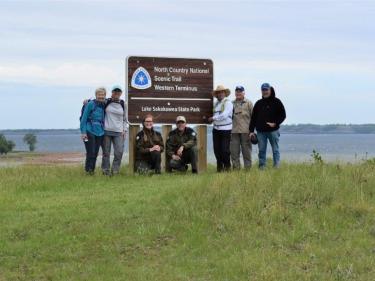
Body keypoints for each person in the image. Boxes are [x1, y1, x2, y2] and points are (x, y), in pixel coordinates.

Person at [249, 83, 286, 169]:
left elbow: (283, 115)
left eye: (266, 90)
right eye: (263, 90)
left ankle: (276, 166)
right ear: (261, 91)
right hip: (260, 132)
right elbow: (253, 118)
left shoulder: (277, 102)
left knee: (275, 149)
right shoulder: (258, 103)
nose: (265, 91)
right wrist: (251, 131)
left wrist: (275, 123)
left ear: (270, 90)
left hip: (273, 131)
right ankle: (262, 166)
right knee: (261, 150)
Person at [101, 85, 127, 176]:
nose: (116, 93)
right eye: (115, 91)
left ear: (121, 93)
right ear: (112, 92)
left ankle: (115, 171)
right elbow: (96, 102)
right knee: (106, 153)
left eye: (118, 91)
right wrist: (87, 101)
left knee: (119, 152)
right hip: (106, 131)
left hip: (119, 132)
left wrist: (124, 130)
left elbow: (125, 119)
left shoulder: (123, 104)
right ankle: (106, 171)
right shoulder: (106, 102)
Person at [80, 87, 106, 175]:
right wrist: (83, 132)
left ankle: (92, 171)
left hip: (100, 132)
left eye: (103, 95)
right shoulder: (90, 104)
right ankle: (88, 171)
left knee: (95, 153)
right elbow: (84, 119)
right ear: (96, 95)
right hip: (89, 130)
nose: (101, 96)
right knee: (90, 152)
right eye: (99, 94)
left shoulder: (104, 104)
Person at [208, 85, 233, 172]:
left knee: (225, 150)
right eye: (218, 92)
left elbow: (224, 115)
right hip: (216, 129)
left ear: (225, 93)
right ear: (216, 94)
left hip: (226, 129)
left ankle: (227, 167)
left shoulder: (228, 103)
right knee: (217, 150)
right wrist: (212, 120)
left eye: (222, 92)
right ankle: (219, 168)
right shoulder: (216, 104)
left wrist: (213, 118)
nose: (220, 94)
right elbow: (214, 115)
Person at [230, 86, 253, 169]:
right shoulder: (231, 104)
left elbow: (253, 117)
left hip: (246, 132)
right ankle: (236, 170)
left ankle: (248, 170)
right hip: (233, 132)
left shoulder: (249, 103)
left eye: (240, 91)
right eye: (237, 91)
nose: (238, 93)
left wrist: (252, 131)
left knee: (246, 153)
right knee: (234, 153)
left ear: (244, 93)